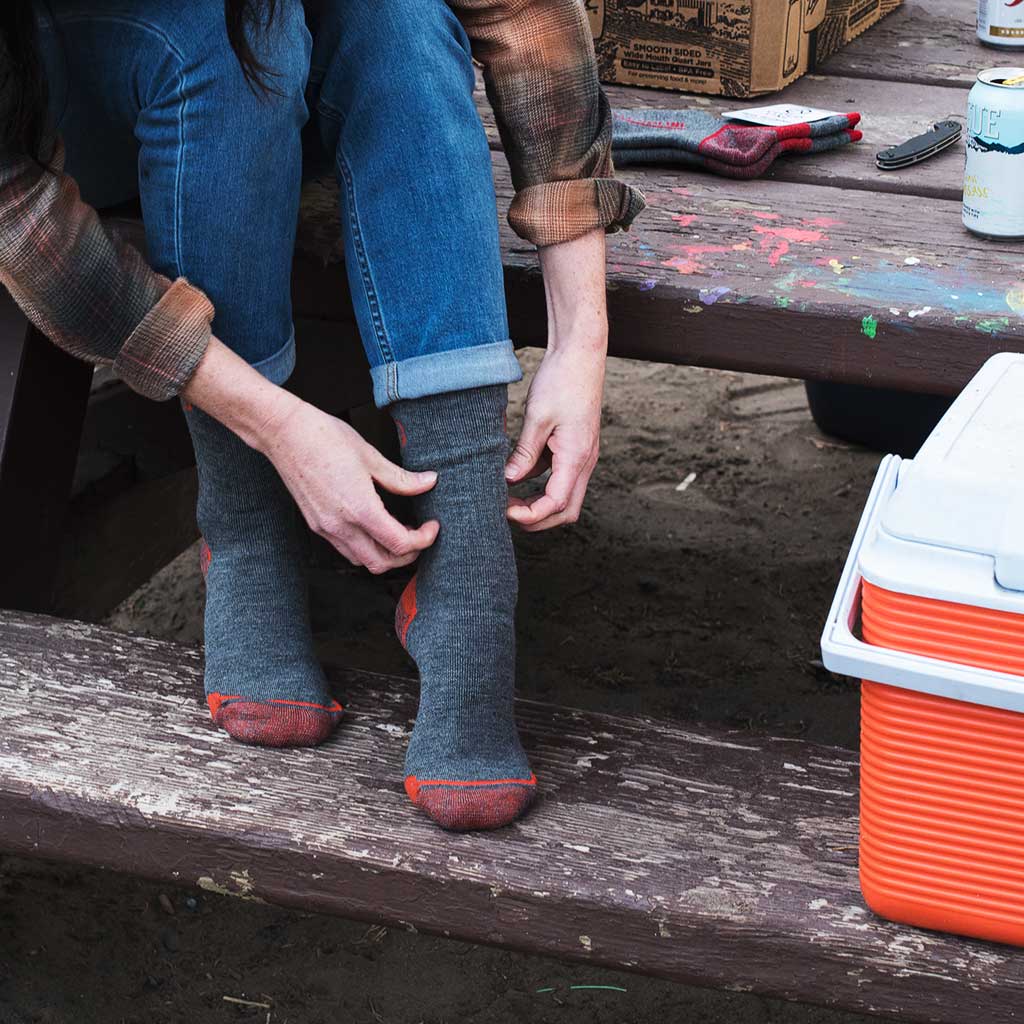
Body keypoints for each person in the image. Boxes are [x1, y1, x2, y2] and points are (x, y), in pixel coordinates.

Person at [0, 0, 645, 831]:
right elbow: (20, 216)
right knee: (225, 45)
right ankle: (246, 531)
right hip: (65, 102)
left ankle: (468, 588)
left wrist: (579, 336)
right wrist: (277, 425)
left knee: (404, 22)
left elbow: (521, 11)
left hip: (274, 60)